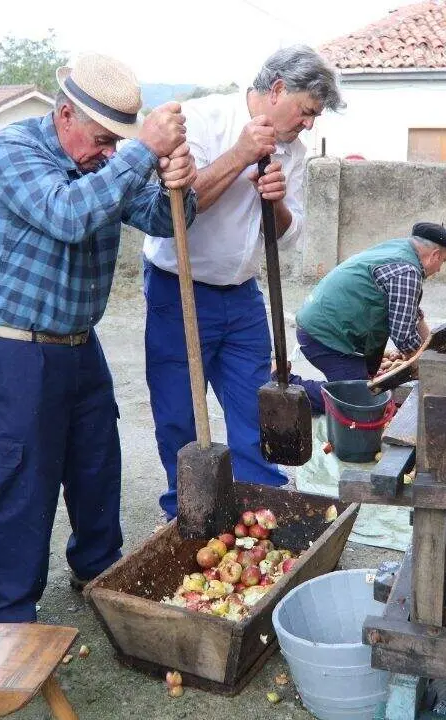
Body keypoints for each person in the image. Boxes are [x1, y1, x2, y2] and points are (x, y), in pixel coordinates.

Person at [0, 52, 197, 632]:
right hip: (17, 346)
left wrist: (179, 185)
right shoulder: (9, 152)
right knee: (23, 477)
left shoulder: (104, 159)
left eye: (116, 143)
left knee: (97, 463)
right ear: (64, 115)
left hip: (78, 341)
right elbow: (67, 215)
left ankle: (97, 569)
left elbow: (163, 220)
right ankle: (9, 613)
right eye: (100, 139)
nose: (107, 153)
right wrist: (143, 151)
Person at [142, 45, 344, 519]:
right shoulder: (201, 121)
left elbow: (288, 236)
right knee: (179, 414)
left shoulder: (292, 150)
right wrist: (241, 155)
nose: (309, 124)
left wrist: (274, 204)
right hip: (181, 290)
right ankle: (188, 513)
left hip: (243, 295)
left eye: (315, 116)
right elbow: (177, 208)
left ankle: (262, 509)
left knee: (260, 405)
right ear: (277, 90)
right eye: (307, 111)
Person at [288, 223, 446, 412]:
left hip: (330, 329)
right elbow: (403, 337)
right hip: (326, 337)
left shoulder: (399, 250)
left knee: (367, 385)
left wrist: (430, 347)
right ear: (434, 255)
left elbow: (409, 311)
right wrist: (423, 369)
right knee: (360, 403)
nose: (440, 269)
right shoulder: (407, 270)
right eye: (444, 261)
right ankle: (287, 387)